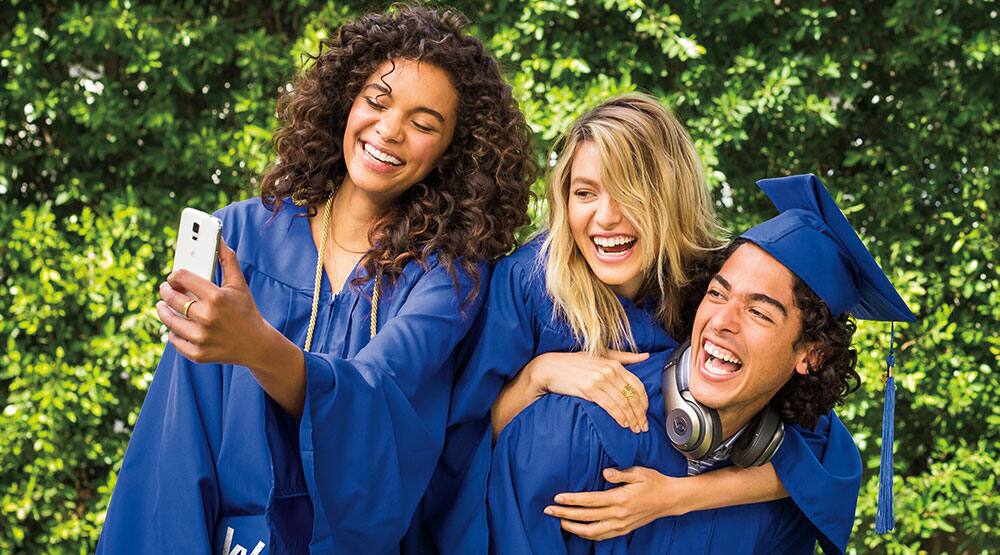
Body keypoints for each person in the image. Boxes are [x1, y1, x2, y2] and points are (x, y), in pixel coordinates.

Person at [97, 6, 534, 554]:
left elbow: (379, 402)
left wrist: (255, 346)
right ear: (345, 100)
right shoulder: (241, 236)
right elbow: (176, 446)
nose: (389, 131)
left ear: (454, 150)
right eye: (377, 101)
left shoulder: (447, 277)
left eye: (424, 124)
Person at [422, 95, 862, 554]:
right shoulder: (531, 283)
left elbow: (815, 459)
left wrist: (674, 498)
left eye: (629, 192)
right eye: (585, 192)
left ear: (669, 197)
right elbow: (462, 440)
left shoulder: (710, 289)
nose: (606, 217)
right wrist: (541, 375)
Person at [487, 173, 915, 553]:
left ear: (812, 355)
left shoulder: (784, 492)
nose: (721, 323)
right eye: (717, 294)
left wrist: (677, 495)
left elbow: (830, 465)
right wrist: (539, 373)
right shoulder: (580, 426)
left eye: (759, 313)